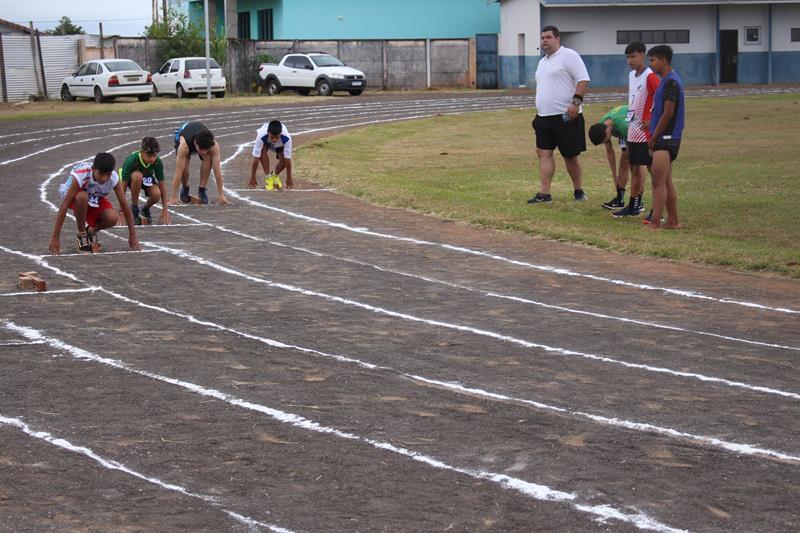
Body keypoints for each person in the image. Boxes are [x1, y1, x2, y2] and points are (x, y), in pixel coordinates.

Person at [528, 25, 590, 204]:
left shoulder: (569, 55)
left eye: (548, 37)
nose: (544, 40)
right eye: (542, 38)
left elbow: (583, 79)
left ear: (557, 39)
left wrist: (575, 102)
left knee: (570, 155)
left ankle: (578, 190)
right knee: (543, 152)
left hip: (565, 116)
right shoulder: (542, 62)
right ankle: (544, 193)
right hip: (544, 117)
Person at [49, 152, 140, 255]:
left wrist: (133, 235)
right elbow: (64, 205)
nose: (104, 178)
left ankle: (91, 230)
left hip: (94, 197)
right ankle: (82, 235)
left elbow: (124, 205)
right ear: (93, 169)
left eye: (108, 174)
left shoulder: (113, 178)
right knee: (82, 196)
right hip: (75, 196)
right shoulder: (82, 174)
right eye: (100, 174)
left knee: (113, 217)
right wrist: (55, 237)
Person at [619, 41, 660, 220]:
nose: (630, 60)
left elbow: (661, 97)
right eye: (628, 57)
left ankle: (657, 210)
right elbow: (633, 102)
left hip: (646, 133)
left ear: (642, 55)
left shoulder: (650, 76)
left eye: (633, 56)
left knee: (654, 171)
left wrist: (652, 119)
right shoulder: (631, 76)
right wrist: (629, 122)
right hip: (633, 131)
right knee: (634, 168)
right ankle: (633, 206)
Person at [647, 45, 684, 230]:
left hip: (666, 138)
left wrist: (654, 136)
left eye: (653, 60)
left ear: (664, 60)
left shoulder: (671, 82)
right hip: (666, 136)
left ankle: (655, 223)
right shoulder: (665, 81)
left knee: (657, 180)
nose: (651, 64)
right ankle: (673, 221)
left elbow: (668, 113)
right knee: (666, 180)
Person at [169, 121, 229, 205]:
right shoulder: (184, 146)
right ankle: (185, 188)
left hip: (200, 136)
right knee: (184, 169)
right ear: (195, 143)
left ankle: (202, 190)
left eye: (206, 149)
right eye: (201, 149)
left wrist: (221, 195)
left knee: (208, 157)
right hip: (184, 136)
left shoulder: (213, 146)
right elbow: (178, 171)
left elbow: (217, 170)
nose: (203, 152)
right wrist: (173, 197)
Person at [120, 136, 171, 225]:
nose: (152, 159)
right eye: (149, 156)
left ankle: (145, 208)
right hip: (131, 179)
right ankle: (134, 208)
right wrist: (121, 210)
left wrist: (165, 210)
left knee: (156, 194)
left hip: (146, 178)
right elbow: (122, 186)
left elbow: (162, 185)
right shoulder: (132, 160)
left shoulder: (157, 162)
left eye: (154, 155)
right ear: (141, 152)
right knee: (137, 176)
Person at [587, 105, 629, 210]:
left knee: (634, 162)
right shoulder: (601, 125)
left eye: (605, 141)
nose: (606, 142)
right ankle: (620, 198)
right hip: (621, 128)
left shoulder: (623, 126)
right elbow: (610, 152)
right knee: (624, 159)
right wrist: (615, 176)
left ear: (607, 132)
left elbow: (637, 154)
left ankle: (637, 200)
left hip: (632, 125)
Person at [247, 120, 294, 190]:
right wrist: (252, 177)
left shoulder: (287, 138)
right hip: (266, 143)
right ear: (268, 132)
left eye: (277, 137)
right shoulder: (261, 135)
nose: (274, 140)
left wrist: (289, 179)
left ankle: (274, 176)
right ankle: (268, 177)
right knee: (261, 151)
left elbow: (288, 159)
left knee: (284, 158)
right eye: (272, 137)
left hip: (280, 145)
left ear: (280, 134)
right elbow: (256, 158)